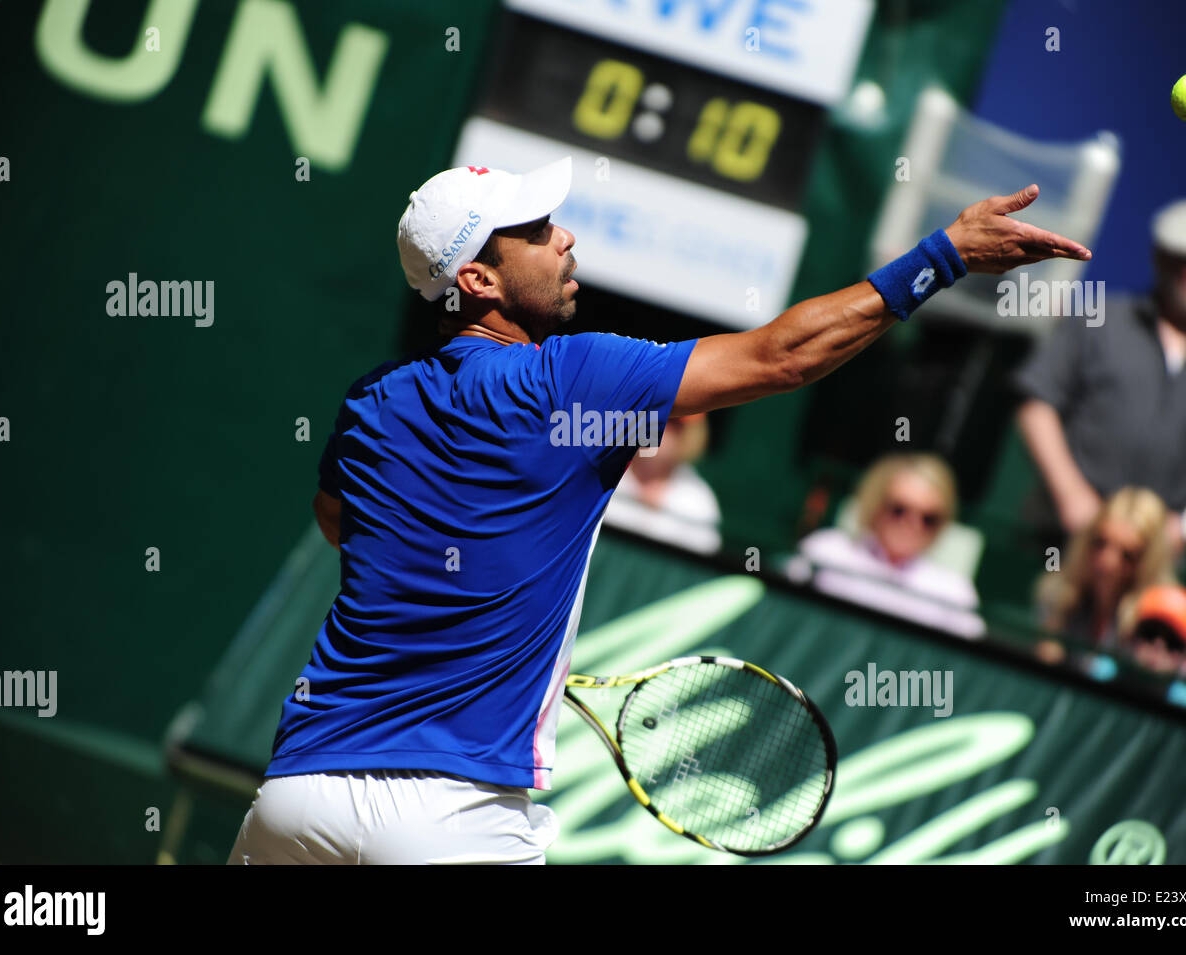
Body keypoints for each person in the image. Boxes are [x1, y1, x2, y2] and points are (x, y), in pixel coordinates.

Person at [227, 158, 1089, 865]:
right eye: (535, 232)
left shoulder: (371, 401)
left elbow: (339, 519)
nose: (564, 238)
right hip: (453, 821)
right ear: (479, 277)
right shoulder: (574, 379)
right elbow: (785, 356)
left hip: (299, 797)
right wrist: (942, 255)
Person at [1014, 199, 1186, 560]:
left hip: (1150, 562)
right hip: (1061, 542)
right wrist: (1071, 495)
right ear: (1163, 260)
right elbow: (1037, 405)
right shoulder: (1100, 322)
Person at [788, 453, 985, 638]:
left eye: (928, 518)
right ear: (875, 504)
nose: (912, 524)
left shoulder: (954, 592)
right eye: (899, 510)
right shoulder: (825, 552)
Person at [1033, 486, 1176, 652]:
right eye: (1100, 543)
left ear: (1148, 564)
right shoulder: (1058, 598)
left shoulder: (1161, 627)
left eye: (1127, 555)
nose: (1107, 562)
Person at [603, 413, 721, 554]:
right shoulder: (597, 474)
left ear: (689, 434)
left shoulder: (699, 501)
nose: (660, 429)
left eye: (672, 423)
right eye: (652, 418)